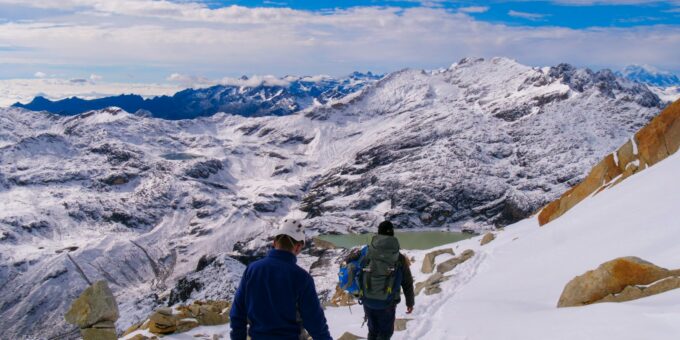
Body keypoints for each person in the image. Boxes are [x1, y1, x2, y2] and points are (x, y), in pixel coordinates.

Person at [230, 219, 332, 340]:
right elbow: (314, 322)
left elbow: (238, 313)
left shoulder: (252, 270)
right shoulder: (302, 277)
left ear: (274, 242)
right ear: (298, 247)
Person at [345, 220, 415, 340]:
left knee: (373, 330)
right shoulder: (399, 258)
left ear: (378, 234)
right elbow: (407, 282)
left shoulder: (367, 252)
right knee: (385, 333)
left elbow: (351, 264)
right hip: (387, 303)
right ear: (392, 234)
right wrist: (410, 302)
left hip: (367, 300)